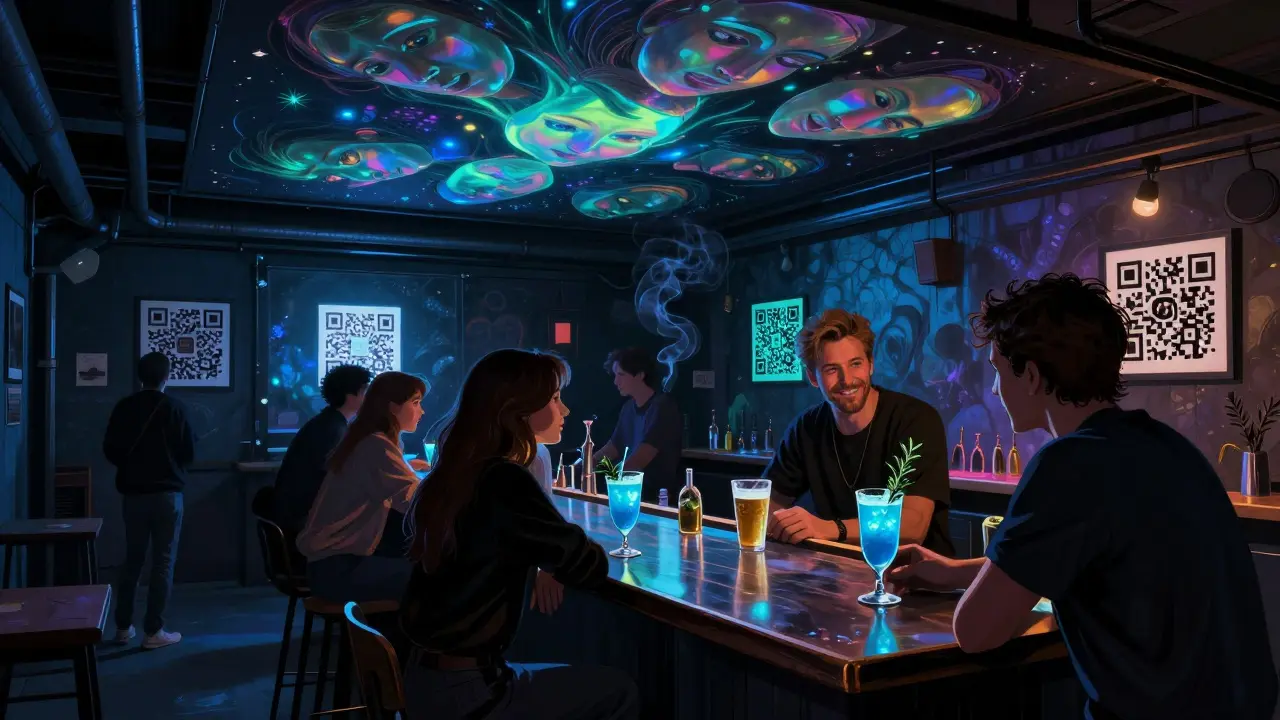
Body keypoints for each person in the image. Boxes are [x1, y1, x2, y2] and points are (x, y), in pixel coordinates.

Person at [888, 274, 1278, 720]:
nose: (995, 389)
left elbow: (976, 631)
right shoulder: (1167, 447)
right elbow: (1091, 557)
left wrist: (981, 593)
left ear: (1032, 375)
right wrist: (954, 571)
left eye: (999, 371)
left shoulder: (1068, 466)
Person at [401, 349, 639, 720]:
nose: (565, 411)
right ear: (520, 409)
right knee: (619, 691)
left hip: (425, 681)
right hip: (472, 693)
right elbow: (585, 565)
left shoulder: (455, 474)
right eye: (556, 398)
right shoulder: (503, 479)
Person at [764, 309, 953, 555]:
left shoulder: (916, 421)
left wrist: (828, 529)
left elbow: (912, 526)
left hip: (916, 579)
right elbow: (767, 508)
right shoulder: (806, 428)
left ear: (871, 365)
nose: (847, 379)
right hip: (837, 577)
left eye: (855, 364)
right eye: (832, 369)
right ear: (813, 377)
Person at [296, 371, 425, 602]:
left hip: (329, 564)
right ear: (392, 407)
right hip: (339, 569)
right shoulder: (376, 445)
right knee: (439, 577)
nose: (421, 411)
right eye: (415, 403)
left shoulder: (367, 439)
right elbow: (414, 502)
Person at [102, 351, 196, 649]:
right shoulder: (175, 408)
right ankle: (153, 632)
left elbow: (110, 450)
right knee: (163, 562)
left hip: (133, 495)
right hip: (168, 496)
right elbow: (188, 454)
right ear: (167, 376)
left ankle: (122, 627)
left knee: (133, 560)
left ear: (140, 376)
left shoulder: (124, 407)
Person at [273, 364, 372, 535]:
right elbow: (337, 478)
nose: (370, 398)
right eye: (366, 392)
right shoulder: (333, 429)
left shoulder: (328, 422)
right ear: (350, 395)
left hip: (299, 514)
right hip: (306, 521)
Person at [594, 347, 683, 503]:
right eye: (615, 375)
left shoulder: (662, 407)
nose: (616, 381)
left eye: (621, 375)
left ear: (640, 375)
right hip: (632, 493)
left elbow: (639, 459)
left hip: (656, 499)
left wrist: (613, 484)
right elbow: (613, 447)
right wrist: (581, 466)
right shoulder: (628, 407)